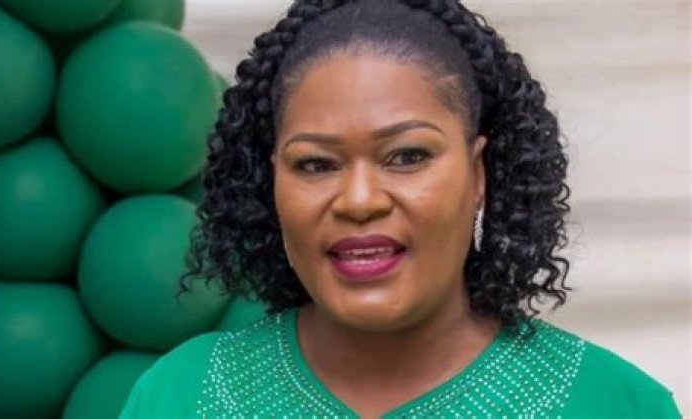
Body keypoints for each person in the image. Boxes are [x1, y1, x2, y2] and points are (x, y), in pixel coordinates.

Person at [120, 0, 681, 417]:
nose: (359, 200)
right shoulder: (181, 395)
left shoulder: (614, 404)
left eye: (408, 156)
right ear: (271, 182)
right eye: (315, 164)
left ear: (479, 173)